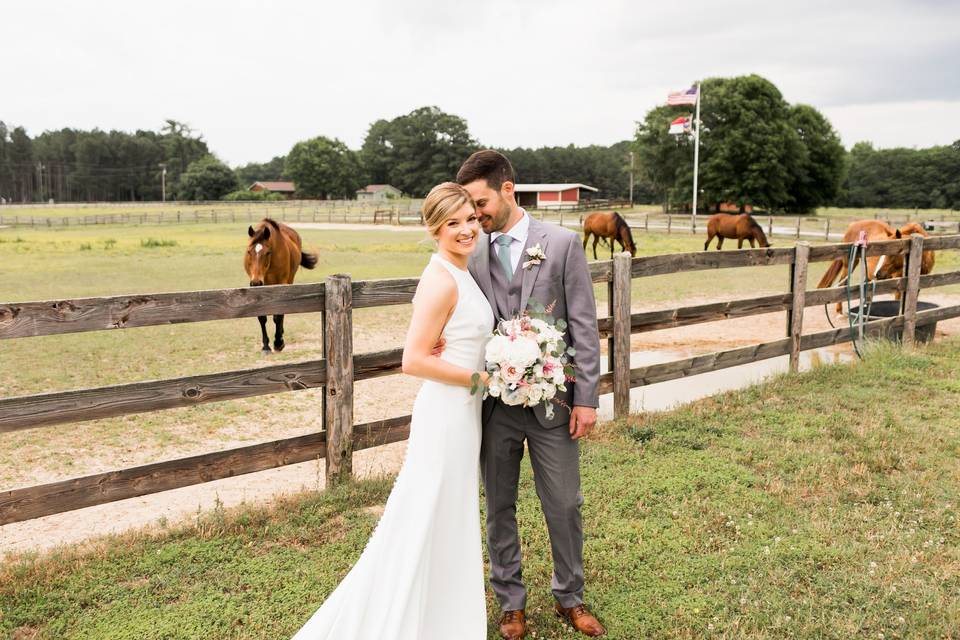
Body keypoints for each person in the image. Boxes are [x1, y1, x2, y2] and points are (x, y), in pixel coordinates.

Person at [291, 182, 493, 640]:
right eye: (453, 223)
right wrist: (480, 379)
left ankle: (445, 618)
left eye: (470, 220)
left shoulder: (464, 271)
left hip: (464, 416)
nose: (465, 230)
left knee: (449, 515)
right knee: (423, 515)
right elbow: (413, 360)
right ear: (435, 229)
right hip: (445, 415)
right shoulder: (440, 278)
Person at [457, 150, 606, 639]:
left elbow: (584, 323)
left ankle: (570, 596)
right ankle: (510, 602)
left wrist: (586, 397)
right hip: (494, 407)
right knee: (498, 504)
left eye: (480, 202)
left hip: (554, 403)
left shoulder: (561, 244)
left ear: (507, 190)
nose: (475, 215)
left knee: (563, 503)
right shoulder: (470, 250)